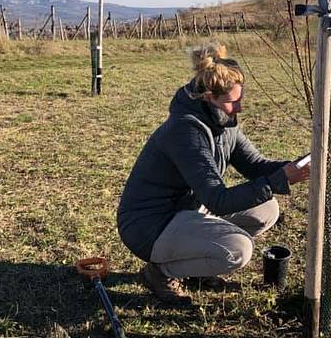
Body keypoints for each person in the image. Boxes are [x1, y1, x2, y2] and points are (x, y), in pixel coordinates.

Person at [117, 43, 309, 305]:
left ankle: (196, 268)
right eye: (232, 102)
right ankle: (159, 273)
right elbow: (218, 199)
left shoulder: (223, 121)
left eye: (241, 99)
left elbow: (254, 165)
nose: (239, 108)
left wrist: (296, 167)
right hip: (150, 226)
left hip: (187, 210)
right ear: (208, 97)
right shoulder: (186, 131)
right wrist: (281, 179)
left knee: (266, 208)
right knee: (237, 249)